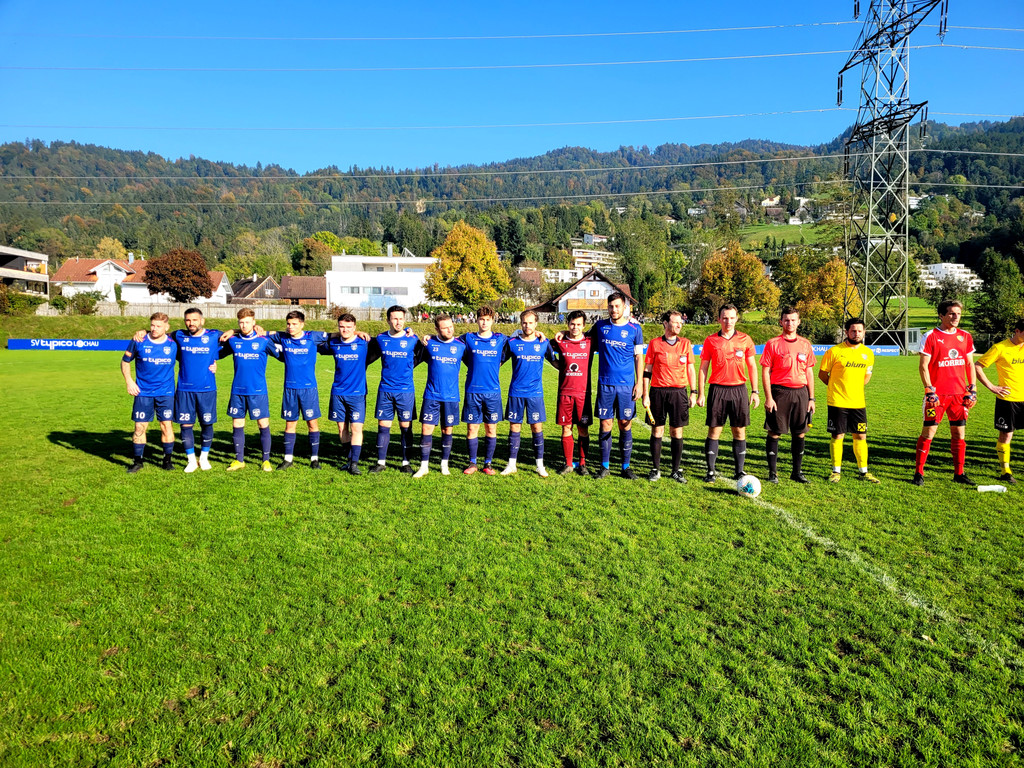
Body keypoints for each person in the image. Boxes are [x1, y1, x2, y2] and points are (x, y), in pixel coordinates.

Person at [558, 292, 645, 479]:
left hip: (627, 385)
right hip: (605, 384)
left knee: (625, 424)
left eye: (617, 306)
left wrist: (639, 383)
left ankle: (626, 467)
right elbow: (579, 335)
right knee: (606, 423)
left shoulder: (634, 329)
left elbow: (639, 357)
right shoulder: (600, 326)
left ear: (624, 307)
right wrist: (564, 332)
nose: (614, 309)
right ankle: (605, 466)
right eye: (611, 306)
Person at [131, 307, 221, 473]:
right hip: (184, 389)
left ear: (202, 321)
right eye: (188, 320)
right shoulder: (178, 336)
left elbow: (236, 338)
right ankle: (191, 460)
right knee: (186, 424)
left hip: (207, 388)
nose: (191, 323)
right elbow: (159, 331)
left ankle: (204, 458)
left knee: (207, 423)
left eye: (194, 320)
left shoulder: (214, 335)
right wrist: (144, 331)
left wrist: (237, 331)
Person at [913, 300, 977, 486]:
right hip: (937, 396)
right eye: (951, 313)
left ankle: (959, 473)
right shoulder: (931, 336)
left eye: (958, 313)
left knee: (959, 434)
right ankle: (919, 473)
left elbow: (969, 364)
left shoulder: (965, 336)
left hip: (959, 395)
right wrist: (929, 390)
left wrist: (972, 388)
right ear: (941, 315)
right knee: (929, 432)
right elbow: (923, 366)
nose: (956, 317)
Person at [259, 310, 329, 470]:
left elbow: (335, 335)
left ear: (302, 324)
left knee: (312, 423)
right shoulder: (283, 337)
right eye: (289, 324)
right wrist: (256, 328)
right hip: (290, 389)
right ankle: (288, 459)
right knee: (290, 424)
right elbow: (262, 333)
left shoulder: (312, 337)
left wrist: (358, 332)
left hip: (308, 389)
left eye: (294, 324)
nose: (291, 327)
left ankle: (314, 459)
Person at [696, 303, 759, 482]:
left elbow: (752, 366)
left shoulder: (745, 339)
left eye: (731, 318)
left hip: (739, 389)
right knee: (714, 430)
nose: (728, 321)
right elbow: (703, 368)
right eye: (725, 318)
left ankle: (739, 471)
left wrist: (755, 391)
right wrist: (701, 393)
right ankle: (710, 471)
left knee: (739, 431)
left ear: (736, 319)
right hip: (718, 390)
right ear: (719, 319)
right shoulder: (711, 340)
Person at [220, 307, 281, 472]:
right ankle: (239, 460)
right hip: (237, 391)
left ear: (254, 322)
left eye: (247, 322)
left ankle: (266, 460)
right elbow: (215, 352)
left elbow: (282, 356)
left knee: (263, 423)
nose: (244, 325)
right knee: (237, 423)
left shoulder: (263, 341)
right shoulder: (233, 341)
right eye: (241, 322)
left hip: (258, 391)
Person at [818, 318, 878, 482]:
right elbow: (822, 374)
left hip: (858, 402)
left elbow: (867, 376)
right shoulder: (834, 351)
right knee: (838, 435)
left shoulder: (868, 353)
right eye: (853, 331)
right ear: (846, 332)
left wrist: (853, 388)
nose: (856, 334)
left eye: (859, 331)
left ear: (864, 332)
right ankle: (836, 471)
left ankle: (864, 472)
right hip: (838, 401)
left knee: (861, 436)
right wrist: (837, 387)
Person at [761, 307, 816, 484]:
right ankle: (773, 473)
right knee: (774, 432)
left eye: (793, 320)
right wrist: (769, 397)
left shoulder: (805, 344)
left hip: (801, 393)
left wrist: (811, 398)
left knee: (800, 433)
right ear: (781, 322)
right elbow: (765, 371)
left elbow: (809, 372)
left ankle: (796, 472)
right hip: (779, 392)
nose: (790, 323)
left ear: (799, 322)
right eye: (786, 320)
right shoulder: (773, 344)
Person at [501, 310, 558, 476]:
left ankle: (540, 465)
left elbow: (554, 362)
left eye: (531, 322)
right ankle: (511, 464)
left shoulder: (543, 343)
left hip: (535, 393)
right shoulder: (512, 343)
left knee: (536, 427)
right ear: (520, 324)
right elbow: (499, 362)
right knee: (514, 427)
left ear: (536, 323)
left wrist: (572, 368)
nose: (527, 326)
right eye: (524, 323)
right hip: (516, 392)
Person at [642, 310, 696, 483]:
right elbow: (647, 370)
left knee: (676, 431)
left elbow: (690, 369)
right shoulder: (655, 343)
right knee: (657, 430)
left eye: (681, 322)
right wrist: (645, 394)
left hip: (679, 393)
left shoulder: (686, 343)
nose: (679, 325)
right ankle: (655, 469)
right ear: (665, 323)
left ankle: (675, 470)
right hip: (658, 392)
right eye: (675, 322)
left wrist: (694, 392)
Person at [368, 305, 423, 473]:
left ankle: (406, 463)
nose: (398, 322)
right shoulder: (381, 339)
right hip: (385, 389)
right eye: (395, 319)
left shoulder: (412, 339)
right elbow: (366, 353)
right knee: (383, 426)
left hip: (405, 390)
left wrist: (410, 365)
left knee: (405, 427)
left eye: (401, 318)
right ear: (388, 320)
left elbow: (423, 353)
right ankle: (381, 462)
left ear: (405, 320)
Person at [121, 312, 177, 473]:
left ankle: (167, 461)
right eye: (152, 325)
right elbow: (125, 362)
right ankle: (138, 462)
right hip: (143, 392)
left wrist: (213, 363)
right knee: (139, 427)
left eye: (158, 326)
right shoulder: (139, 341)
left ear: (167, 327)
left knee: (166, 425)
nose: (154, 329)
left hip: (165, 392)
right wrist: (129, 381)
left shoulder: (174, 343)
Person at [413, 315, 467, 478]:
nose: (450, 330)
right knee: (426, 429)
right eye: (445, 328)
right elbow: (413, 360)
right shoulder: (429, 344)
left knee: (447, 430)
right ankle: (424, 466)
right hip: (431, 395)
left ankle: (444, 464)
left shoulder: (461, 346)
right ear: (437, 329)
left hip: (451, 396)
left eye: (451, 326)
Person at [458, 306, 509, 475]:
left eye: (488, 319)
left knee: (491, 429)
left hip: (492, 392)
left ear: (493, 320)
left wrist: (539, 333)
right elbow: (447, 339)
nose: (484, 322)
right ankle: (472, 463)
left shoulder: (501, 339)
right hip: (473, 391)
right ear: (477, 320)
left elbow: (522, 337)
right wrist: (428, 336)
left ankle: (488, 463)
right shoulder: (468, 338)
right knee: (472, 428)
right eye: (481, 319)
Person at [974, 317, 1024, 484]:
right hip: (1008, 399)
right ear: (1017, 331)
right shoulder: (1000, 348)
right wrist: (991, 386)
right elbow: (977, 366)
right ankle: (1005, 471)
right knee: (1006, 435)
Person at [319, 313, 370, 475]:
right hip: (338, 392)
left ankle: (354, 464)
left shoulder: (364, 342)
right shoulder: (333, 343)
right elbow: (314, 340)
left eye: (349, 327)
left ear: (354, 327)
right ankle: (348, 460)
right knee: (342, 429)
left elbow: (389, 337)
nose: (345, 330)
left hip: (357, 394)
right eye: (342, 327)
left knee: (356, 428)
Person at [552, 309, 595, 476]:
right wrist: (560, 366)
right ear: (567, 324)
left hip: (583, 393)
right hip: (565, 393)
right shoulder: (559, 342)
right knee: (566, 428)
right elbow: (542, 345)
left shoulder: (590, 342)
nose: (575, 327)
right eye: (572, 324)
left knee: (583, 429)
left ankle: (583, 463)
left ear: (584, 326)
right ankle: (568, 464)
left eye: (578, 324)